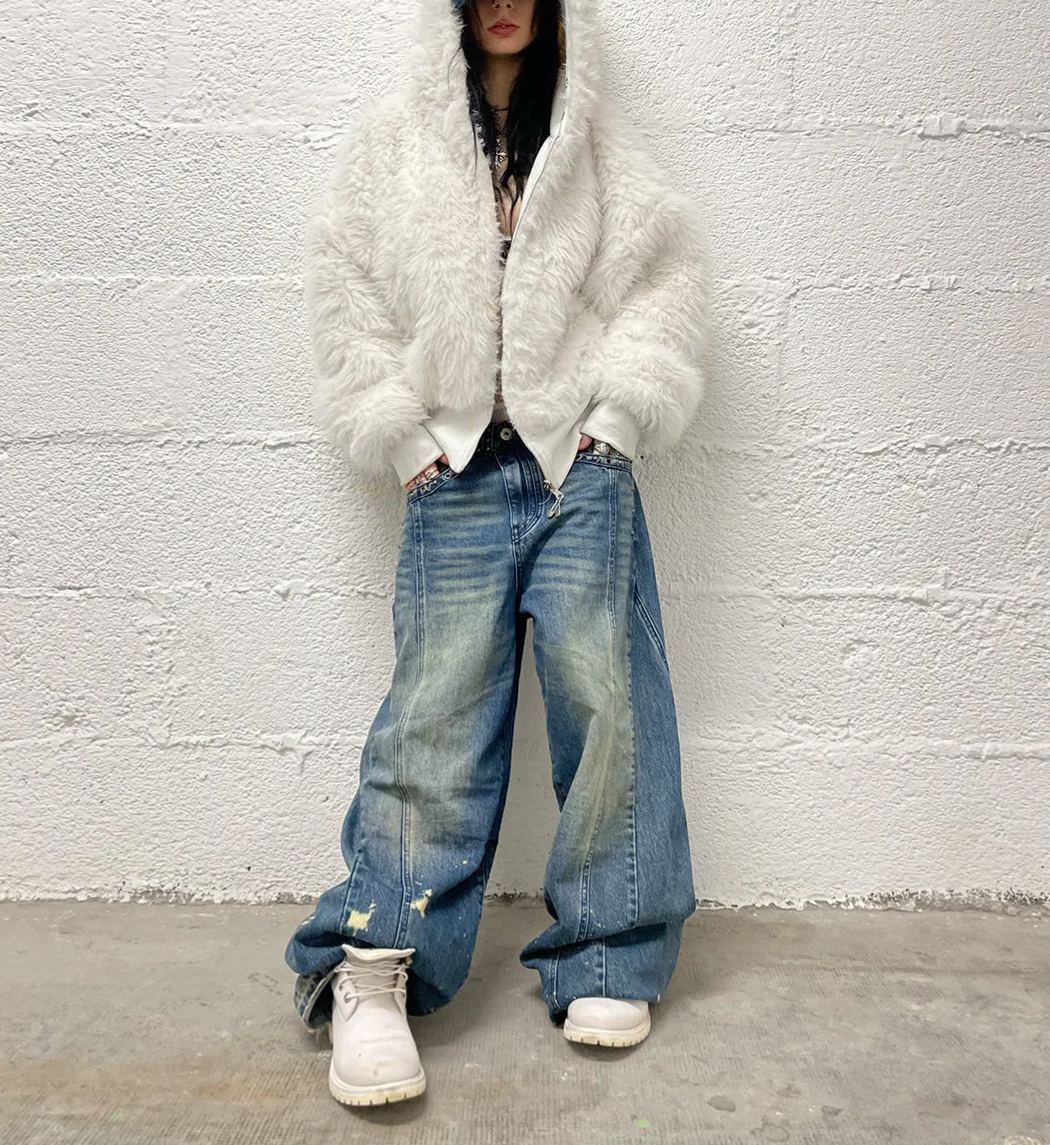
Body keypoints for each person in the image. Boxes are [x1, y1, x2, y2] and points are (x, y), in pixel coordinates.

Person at [285, 0, 711, 1107]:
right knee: (432, 718)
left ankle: (610, 951)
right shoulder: (395, 143)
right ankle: (374, 960)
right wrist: (404, 439)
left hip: (579, 466)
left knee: (608, 702)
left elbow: (662, 284)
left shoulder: (594, 144)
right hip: (454, 471)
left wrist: (615, 425)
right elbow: (344, 287)